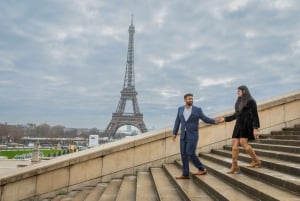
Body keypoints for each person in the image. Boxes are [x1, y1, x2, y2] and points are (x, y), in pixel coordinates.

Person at [172, 93, 220, 179]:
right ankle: (185, 174)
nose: (191, 100)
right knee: (183, 154)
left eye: (192, 99)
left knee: (190, 153)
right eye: (189, 99)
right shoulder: (180, 109)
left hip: (193, 135)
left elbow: (205, 118)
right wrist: (174, 133)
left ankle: (201, 168)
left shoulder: (197, 110)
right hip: (183, 135)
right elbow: (177, 121)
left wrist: (215, 121)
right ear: (185, 100)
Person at [219, 85, 261, 174]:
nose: (237, 92)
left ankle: (256, 160)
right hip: (238, 124)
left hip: (247, 124)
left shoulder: (251, 101)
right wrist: (225, 119)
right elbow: (236, 115)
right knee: (234, 144)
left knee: (243, 142)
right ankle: (234, 166)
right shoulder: (239, 101)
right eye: (237, 91)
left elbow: (254, 115)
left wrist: (255, 128)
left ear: (244, 91)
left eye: (239, 91)